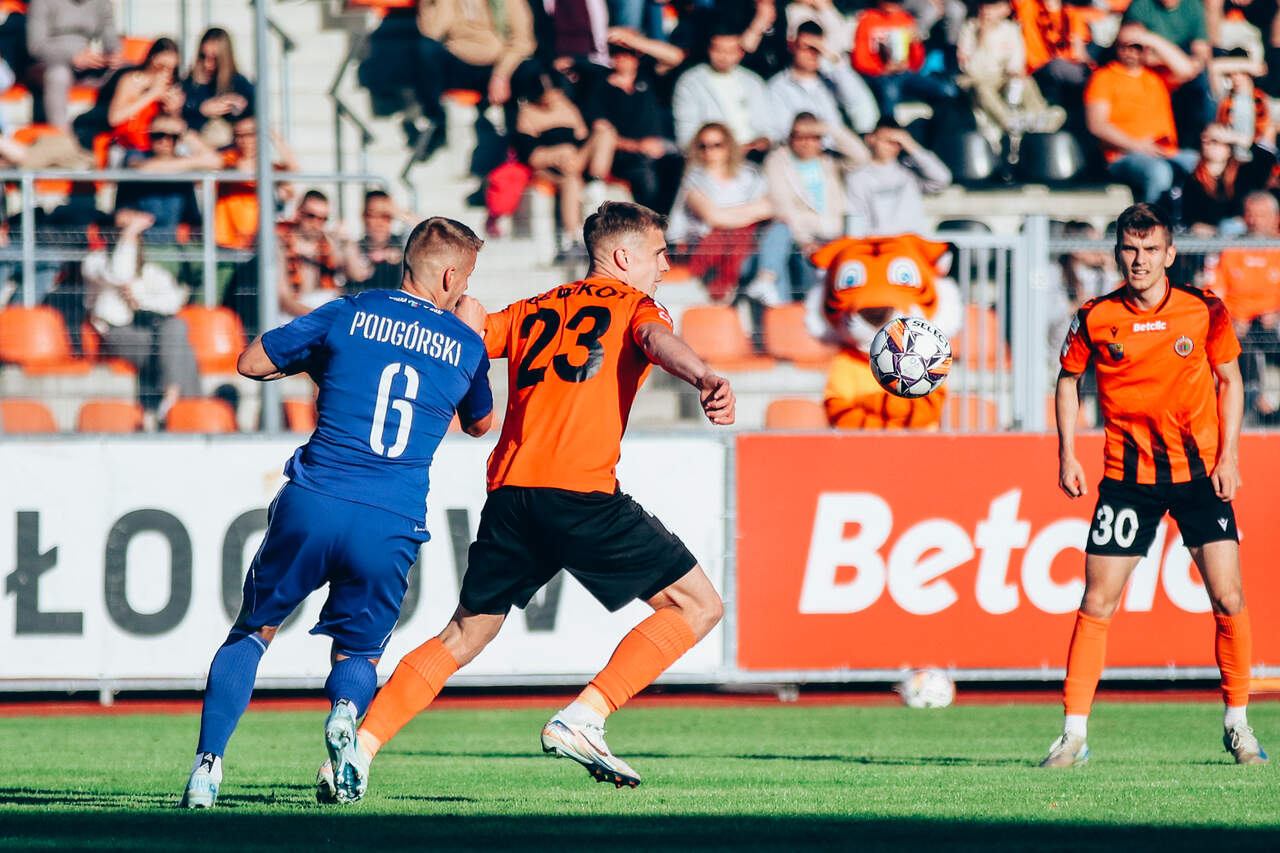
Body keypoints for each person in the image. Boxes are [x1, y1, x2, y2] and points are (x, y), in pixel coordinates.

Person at [320, 201, 735, 803]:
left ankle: (358, 750)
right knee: (698, 606)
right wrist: (703, 376)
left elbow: (465, 328)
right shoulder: (635, 306)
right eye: (659, 253)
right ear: (623, 257)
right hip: (580, 492)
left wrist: (457, 310)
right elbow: (655, 339)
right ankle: (586, 715)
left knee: (464, 633)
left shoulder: (532, 309)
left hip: (511, 494)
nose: (666, 266)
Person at [179, 216, 495, 808]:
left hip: (316, 497)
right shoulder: (466, 344)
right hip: (391, 517)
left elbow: (251, 362)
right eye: (467, 278)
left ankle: (207, 770)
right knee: (360, 651)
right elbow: (481, 423)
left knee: (253, 630)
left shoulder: (349, 311)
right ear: (451, 276)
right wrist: (466, 336)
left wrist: (318, 361)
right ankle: (346, 713)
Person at [1045, 202, 1267, 768]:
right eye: (1129, 249)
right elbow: (1068, 381)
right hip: (1128, 480)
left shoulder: (1203, 309)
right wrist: (1068, 453)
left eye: (1150, 250)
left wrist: (1230, 456)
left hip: (1199, 474)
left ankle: (1239, 726)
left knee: (1229, 596)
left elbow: (1229, 380)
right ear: (1117, 253)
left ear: (1170, 254)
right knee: (1097, 601)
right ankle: (1073, 735)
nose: (1139, 260)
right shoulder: (1095, 317)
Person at [81, 209, 201, 422]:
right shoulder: (95, 262)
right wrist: (129, 232)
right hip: (116, 333)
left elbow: (174, 300)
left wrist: (142, 300)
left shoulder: (147, 270)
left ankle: (170, 401)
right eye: (125, 233)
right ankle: (188, 413)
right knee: (180, 351)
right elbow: (120, 273)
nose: (132, 239)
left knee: (176, 328)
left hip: (151, 331)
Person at [1084, 23, 1201, 206]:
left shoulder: (1156, 76)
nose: (1130, 51)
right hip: (1124, 155)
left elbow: (1187, 70)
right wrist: (1138, 146)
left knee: (1202, 165)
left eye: (1136, 46)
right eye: (1124, 45)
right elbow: (1097, 125)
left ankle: (1199, 220)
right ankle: (1150, 220)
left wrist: (1150, 38)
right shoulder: (1104, 77)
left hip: (1165, 152)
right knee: (1159, 172)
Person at [666, 122, 775, 303]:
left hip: (747, 241)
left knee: (777, 231)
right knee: (734, 235)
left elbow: (768, 208)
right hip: (702, 243)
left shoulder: (749, 173)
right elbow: (712, 218)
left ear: (728, 146)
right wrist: (748, 213)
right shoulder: (694, 177)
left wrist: (725, 216)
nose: (709, 151)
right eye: (703, 146)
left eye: (717, 145)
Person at [583, 27, 687, 215]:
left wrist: (634, 41)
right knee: (646, 178)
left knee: (683, 164)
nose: (624, 58)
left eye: (630, 52)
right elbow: (602, 135)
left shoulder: (649, 76)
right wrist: (637, 146)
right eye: (618, 52)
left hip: (662, 148)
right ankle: (658, 223)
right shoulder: (600, 86)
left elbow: (676, 57)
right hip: (627, 156)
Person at [758, 112, 856, 305]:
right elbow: (783, 207)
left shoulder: (830, 161)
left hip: (836, 238)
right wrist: (805, 241)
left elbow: (861, 156)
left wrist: (828, 128)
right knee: (809, 295)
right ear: (790, 138)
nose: (805, 142)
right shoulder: (778, 162)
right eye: (799, 136)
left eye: (812, 136)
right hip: (802, 241)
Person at [512, 72, 613, 255]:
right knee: (571, 181)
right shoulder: (528, 113)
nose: (551, 97)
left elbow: (582, 138)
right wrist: (559, 154)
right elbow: (532, 156)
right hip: (550, 167)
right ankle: (572, 237)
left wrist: (573, 156)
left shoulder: (568, 108)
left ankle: (595, 181)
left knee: (605, 133)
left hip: (576, 160)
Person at [1203, 191, 1280, 423]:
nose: (1254, 221)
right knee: (1233, 342)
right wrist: (1229, 318)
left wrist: (1277, 313)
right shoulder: (1231, 249)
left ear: (1276, 218)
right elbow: (1214, 292)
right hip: (1238, 323)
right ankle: (1248, 410)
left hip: (1272, 321)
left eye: (1261, 215)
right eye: (1250, 215)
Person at [956, 0, 1065, 151]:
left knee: (1026, 82)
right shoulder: (970, 28)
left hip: (1001, 77)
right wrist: (982, 38)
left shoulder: (1011, 29)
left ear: (1005, 10)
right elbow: (970, 68)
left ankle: (1039, 118)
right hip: (976, 79)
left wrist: (1015, 76)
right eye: (984, 6)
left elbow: (1015, 62)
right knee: (982, 89)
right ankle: (1008, 123)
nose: (986, 11)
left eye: (993, 7)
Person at [767, 20, 878, 153]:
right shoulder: (777, 86)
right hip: (801, 153)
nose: (813, 53)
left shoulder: (834, 80)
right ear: (792, 46)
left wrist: (834, 60)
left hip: (838, 151)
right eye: (807, 47)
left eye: (818, 49)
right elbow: (783, 131)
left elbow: (860, 104)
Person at [672, 23, 779, 155]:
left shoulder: (753, 81)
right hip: (711, 157)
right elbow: (685, 137)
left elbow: (769, 128)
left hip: (754, 155)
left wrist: (764, 141)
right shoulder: (690, 82)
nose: (723, 57)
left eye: (730, 51)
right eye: (718, 50)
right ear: (709, 49)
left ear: (741, 53)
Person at [113, 113, 222, 237]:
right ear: (150, 136)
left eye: (173, 136)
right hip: (142, 235)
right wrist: (194, 162)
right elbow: (144, 168)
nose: (166, 141)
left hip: (177, 237)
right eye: (159, 135)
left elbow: (215, 161)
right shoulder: (135, 154)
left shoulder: (183, 159)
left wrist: (185, 131)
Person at [852, 0, 959, 119]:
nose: (893, 5)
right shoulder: (867, 19)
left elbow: (916, 64)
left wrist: (915, 43)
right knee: (890, 91)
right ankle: (888, 125)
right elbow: (860, 60)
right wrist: (883, 69)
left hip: (903, 72)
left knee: (947, 90)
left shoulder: (904, 19)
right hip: (879, 75)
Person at [845, 117, 951, 236]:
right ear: (871, 139)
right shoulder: (858, 178)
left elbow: (942, 179)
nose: (893, 146)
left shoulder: (910, 172)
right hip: (877, 242)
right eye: (887, 141)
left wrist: (911, 146)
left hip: (912, 240)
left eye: (898, 143)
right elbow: (856, 216)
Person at [26, 0, 123, 131]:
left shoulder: (101, 3)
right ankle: (60, 134)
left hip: (87, 63)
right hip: (48, 63)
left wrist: (114, 54)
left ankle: (120, 133)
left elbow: (110, 35)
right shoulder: (41, 2)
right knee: (58, 75)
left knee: (128, 72)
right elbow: (36, 47)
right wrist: (73, 57)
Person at [276, 190, 367, 321]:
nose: (316, 223)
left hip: (326, 314)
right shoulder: (281, 245)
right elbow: (284, 300)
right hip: (292, 318)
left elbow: (357, 275)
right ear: (299, 212)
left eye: (323, 219)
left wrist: (347, 242)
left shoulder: (330, 242)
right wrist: (319, 316)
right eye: (311, 216)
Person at [1181, 123, 1277, 235]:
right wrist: (1216, 231)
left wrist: (1235, 138)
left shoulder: (1243, 173)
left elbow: (1268, 160)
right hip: (1208, 238)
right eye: (1205, 140)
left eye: (1216, 141)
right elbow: (1190, 218)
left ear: (1229, 148)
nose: (1209, 144)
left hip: (1244, 234)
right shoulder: (1193, 179)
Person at [106, 37, 184, 154]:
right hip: (129, 145)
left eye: (171, 69)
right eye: (161, 66)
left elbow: (178, 128)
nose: (165, 73)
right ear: (151, 59)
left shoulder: (172, 86)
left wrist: (174, 110)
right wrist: (151, 94)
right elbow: (114, 118)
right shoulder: (131, 80)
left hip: (158, 148)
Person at [182, 27, 254, 139]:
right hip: (197, 142)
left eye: (215, 59)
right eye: (203, 56)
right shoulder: (190, 84)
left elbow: (255, 115)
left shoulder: (239, 83)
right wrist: (202, 110)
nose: (207, 64)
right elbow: (183, 120)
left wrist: (239, 107)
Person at [349, 190, 412, 293]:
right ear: (364, 216)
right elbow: (358, 274)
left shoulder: (401, 242)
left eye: (385, 216)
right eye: (373, 215)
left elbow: (431, 232)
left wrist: (399, 212)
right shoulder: (356, 247)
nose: (379, 223)